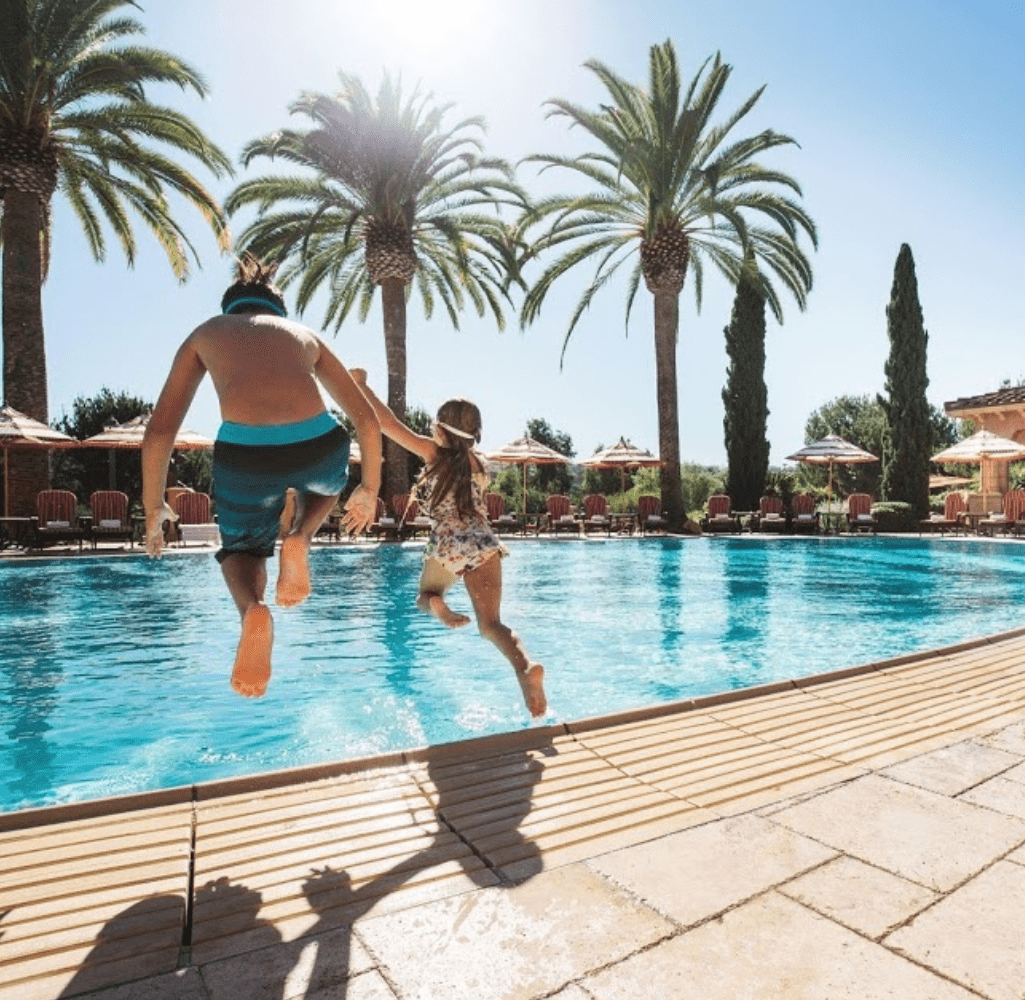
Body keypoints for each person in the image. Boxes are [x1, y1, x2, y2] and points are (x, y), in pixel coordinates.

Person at [142, 255, 382, 699]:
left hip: (245, 455)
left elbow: (160, 431)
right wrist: (369, 488)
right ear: (279, 312)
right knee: (328, 486)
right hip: (320, 443)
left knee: (242, 550)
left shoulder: (206, 333)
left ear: (230, 307)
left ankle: (253, 608)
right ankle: (301, 536)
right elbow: (365, 420)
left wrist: (153, 504)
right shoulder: (304, 335)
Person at [351, 370, 547, 717]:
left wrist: (361, 387)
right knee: (492, 625)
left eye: (433, 425)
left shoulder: (434, 453)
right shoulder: (481, 464)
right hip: (484, 541)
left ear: (441, 430)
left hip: (448, 542)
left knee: (423, 598)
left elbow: (388, 423)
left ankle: (438, 605)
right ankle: (525, 667)